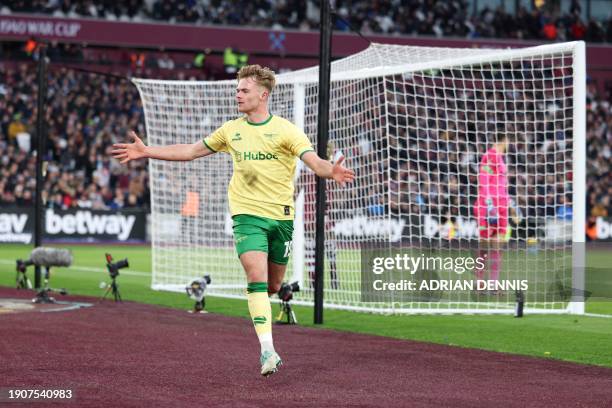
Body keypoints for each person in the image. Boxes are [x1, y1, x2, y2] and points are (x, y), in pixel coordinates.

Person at [111, 64, 355, 376]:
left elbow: (314, 161)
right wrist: (148, 152)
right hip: (246, 216)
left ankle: (271, 307)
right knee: (255, 277)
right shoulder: (231, 130)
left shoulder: (286, 130)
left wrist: (330, 170)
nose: (237, 94)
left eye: (244, 90)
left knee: (273, 284)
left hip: (281, 218)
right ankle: (268, 350)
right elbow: (189, 151)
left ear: (262, 94)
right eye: (237, 89)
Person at [473, 133, 518, 285]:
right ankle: (479, 280)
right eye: (509, 141)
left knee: (497, 247)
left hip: (502, 206)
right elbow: (483, 180)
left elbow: (502, 186)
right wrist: (489, 204)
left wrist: (511, 205)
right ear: (505, 140)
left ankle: (493, 283)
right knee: (485, 247)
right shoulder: (490, 155)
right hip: (488, 206)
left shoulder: (500, 158)